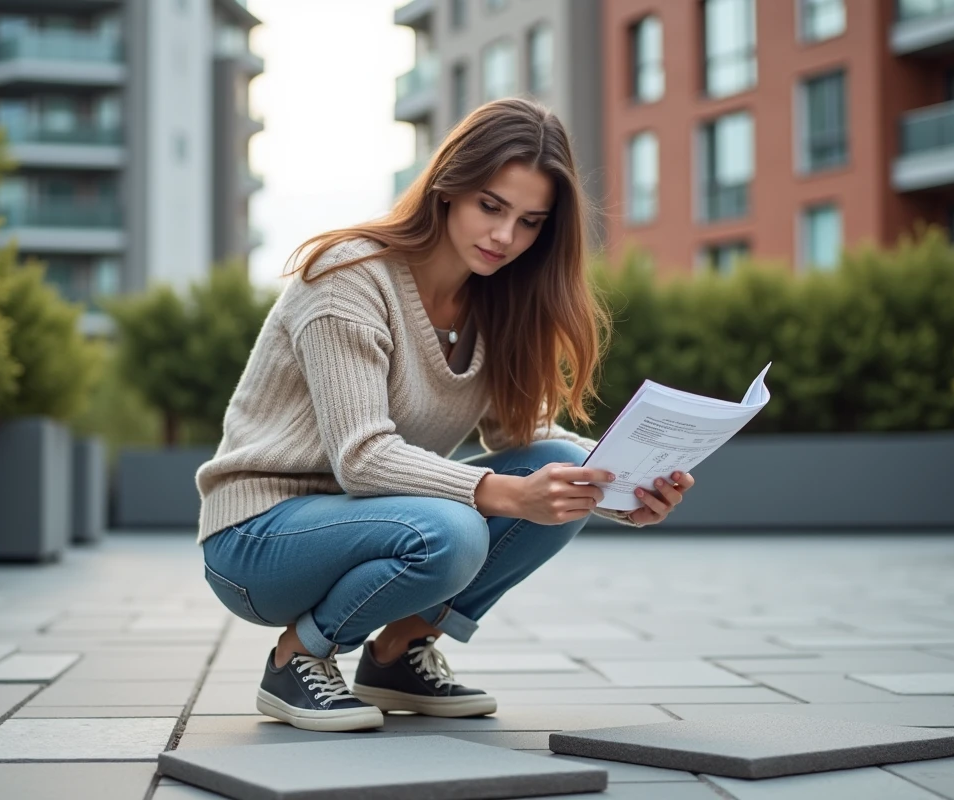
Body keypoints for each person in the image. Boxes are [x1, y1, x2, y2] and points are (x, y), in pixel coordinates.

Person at [195, 97, 695, 733]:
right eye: (491, 206)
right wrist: (506, 494)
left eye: (530, 222)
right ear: (448, 187)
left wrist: (620, 489)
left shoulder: (499, 301)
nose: (505, 237)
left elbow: (522, 435)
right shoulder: (349, 276)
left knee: (564, 463)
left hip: (371, 521)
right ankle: (297, 657)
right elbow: (361, 459)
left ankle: (398, 653)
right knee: (454, 531)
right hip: (257, 540)